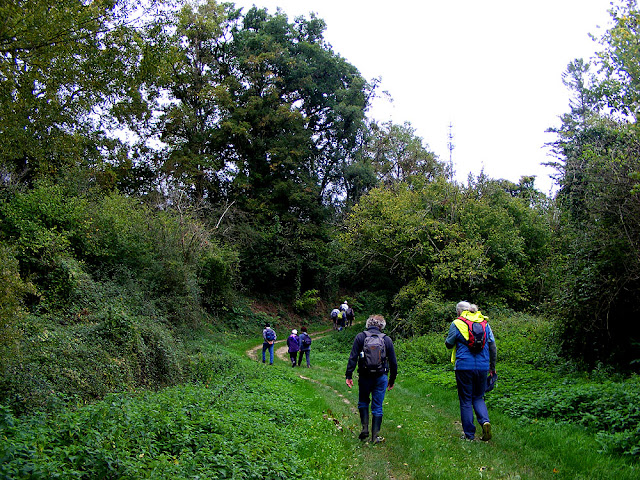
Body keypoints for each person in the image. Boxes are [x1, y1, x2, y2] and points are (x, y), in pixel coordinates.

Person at [445, 301, 497, 441]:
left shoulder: (457, 323)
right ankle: (485, 421)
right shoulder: (485, 324)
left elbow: (449, 344)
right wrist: (492, 367)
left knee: (466, 400)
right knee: (478, 397)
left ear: (458, 312)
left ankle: (469, 435)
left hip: (463, 366)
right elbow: (493, 347)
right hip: (482, 366)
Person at [345, 314, 397, 444]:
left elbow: (353, 357)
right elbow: (393, 362)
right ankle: (375, 437)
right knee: (377, 406)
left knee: (363, 402)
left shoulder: (360, 337)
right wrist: (392, 380)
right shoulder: (387, 339)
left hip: (364, 376)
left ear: (368, 324)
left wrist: (349, 375)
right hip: (381, 376)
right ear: (381, 326)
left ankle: (364, 428)